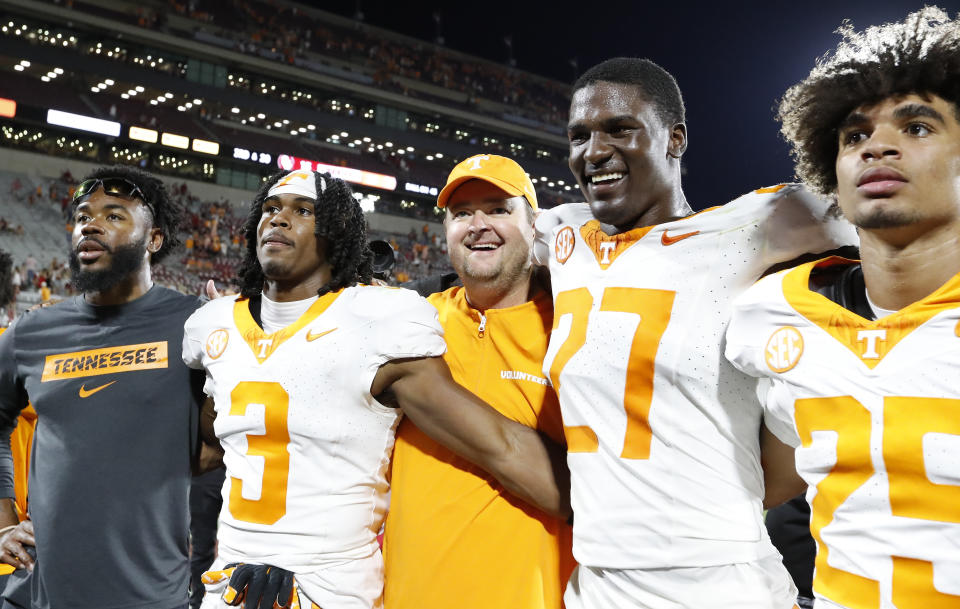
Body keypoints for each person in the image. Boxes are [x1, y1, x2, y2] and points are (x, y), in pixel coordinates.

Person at [532, 57, 858, 608]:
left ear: (675, 138)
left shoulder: (751, 225)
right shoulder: (562, 232)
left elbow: (905, 215)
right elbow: (485, 240)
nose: (594, 151)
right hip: (597, 584)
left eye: (619, 128)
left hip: (718, 580)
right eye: (579, 136)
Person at [184, 169, 567, 609]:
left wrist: (628, 511)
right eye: (270, 209)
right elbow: (209, 449)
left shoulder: (379, 321)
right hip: (232, 582)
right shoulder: (212, 325)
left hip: (332, 588)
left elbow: (502, 446)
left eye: (303, 210)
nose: (279, 220)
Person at [726, 7, 960, 606]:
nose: (877, 146)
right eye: (855, 136)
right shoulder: (773, 312)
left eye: (918, 127)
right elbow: (766, 479)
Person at [0, 166, 208, 609]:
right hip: (42, 594)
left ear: (154, 238)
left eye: (114, 216)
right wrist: (3, 524)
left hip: (152, 595)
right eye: (82, 216)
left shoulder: (196, 323)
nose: (90, 225)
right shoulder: (31, 332)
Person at [384, 155, 575, 609]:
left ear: (534, 226)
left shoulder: (574, 329)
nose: (478, 224)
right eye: (462, 213)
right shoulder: (406, 323)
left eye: (498, 208)